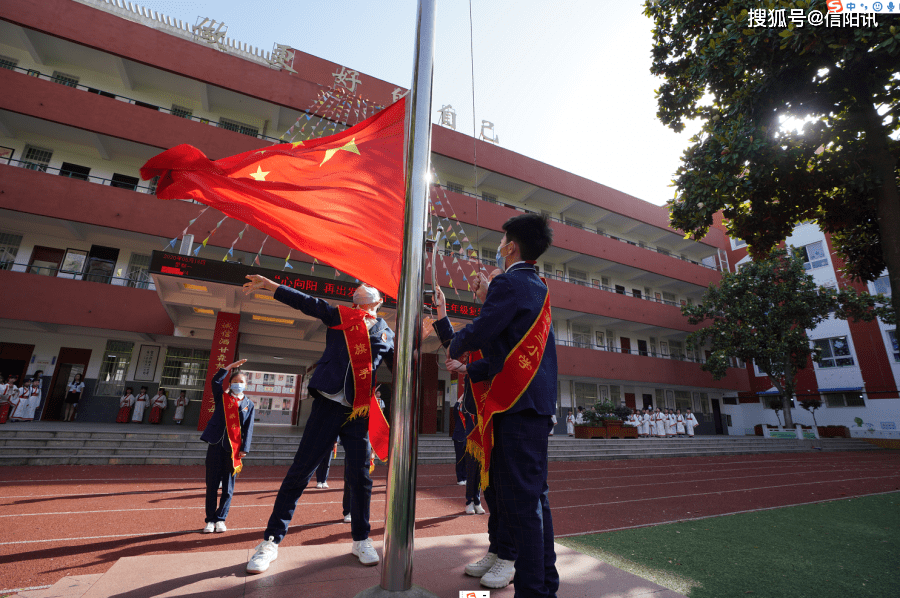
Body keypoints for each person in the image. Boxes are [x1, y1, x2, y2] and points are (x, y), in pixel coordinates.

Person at [433, 213, 558, 596]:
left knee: (523, 505)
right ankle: (543, 583)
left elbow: (484, 329)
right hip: (527, 406)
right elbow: (504, 355)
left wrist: (451, 342)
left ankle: (535, 590)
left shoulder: (510, 282)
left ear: (512, 246)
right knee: (527, 498)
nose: (499, 245)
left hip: (515, 408)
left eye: (503, 239)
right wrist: (467, 360)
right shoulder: (536, 285)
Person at [241, 276, 394, 572]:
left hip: (358, 413)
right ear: (355, 299)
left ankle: (361, 538)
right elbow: (307, 303)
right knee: (300, 472)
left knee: (360, 478)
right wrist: (272, 286)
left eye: (369, 285)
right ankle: (271, 541)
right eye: (359, 285)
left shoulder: (386, 332)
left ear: (379, 300)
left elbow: (399, 370)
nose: (363, 285)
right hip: (326, 405)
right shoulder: (341, 315)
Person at [200, 359, 255, 533]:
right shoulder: (222, 397)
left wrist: (245, 448)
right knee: (212, 485)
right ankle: (210, 520)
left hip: (234, 450)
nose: (238, 385)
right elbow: (215, 381)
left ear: (246, 385)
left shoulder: (249, 404)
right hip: (216, 444)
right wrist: (229, 368)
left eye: (241, 382)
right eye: (235, 382)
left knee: (228, 488)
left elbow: (249, 427)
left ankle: (221, 518)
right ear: (230, 383)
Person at [452, 396, 469, 486]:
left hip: (467, 439)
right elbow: (456, 405)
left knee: (466, 459)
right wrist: (463, 394)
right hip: (458, 439)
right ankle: (459, 478)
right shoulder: (457, 415)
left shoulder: (469, 417)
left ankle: (465, 477)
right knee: (459, 459)